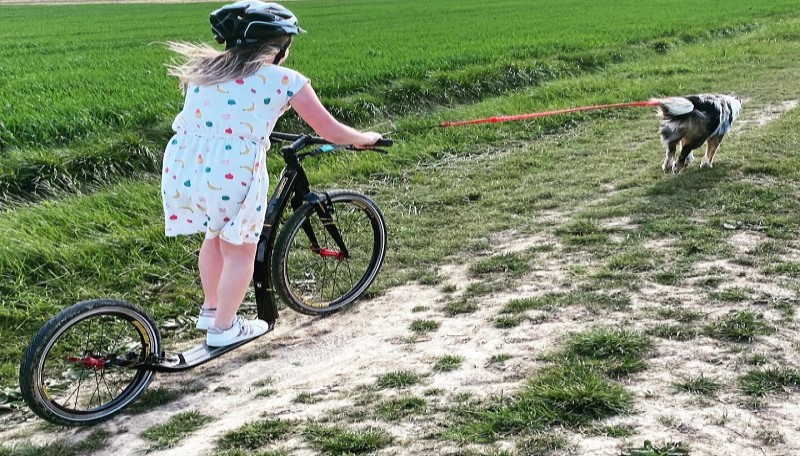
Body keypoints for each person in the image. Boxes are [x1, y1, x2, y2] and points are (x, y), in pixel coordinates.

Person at [161, 1, 383, 347]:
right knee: (241, 249)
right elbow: (331, 131)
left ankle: (212, 309)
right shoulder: (286, 80)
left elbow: (221, 119)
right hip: (233, 170)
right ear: (280, 46)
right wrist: (364, 139)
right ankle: (224, 330)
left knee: (215, 234)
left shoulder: (205, 69)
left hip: (185, 164)